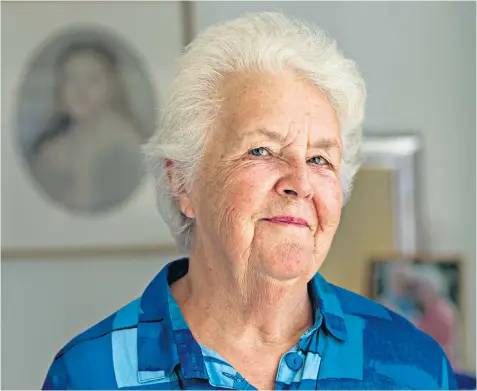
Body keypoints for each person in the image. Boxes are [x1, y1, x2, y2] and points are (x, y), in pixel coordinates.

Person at [42, 12, 457, 390]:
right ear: (183, 183)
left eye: (319, 159)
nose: (300, 183)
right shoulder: (88, 375)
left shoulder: (413, 368)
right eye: (262, 151)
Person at [29, 41, 146, 213]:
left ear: (112, 86)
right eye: (71, 79)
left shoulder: (132, 146)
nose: (80, 90)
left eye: (92, 79)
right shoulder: (51, 149)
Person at [413, 265, 459, 370]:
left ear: (434, 289)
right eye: (419, 289)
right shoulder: (427, 310)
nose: (420, 293)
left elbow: (443, 345)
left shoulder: (442, 312)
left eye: (424, 289)